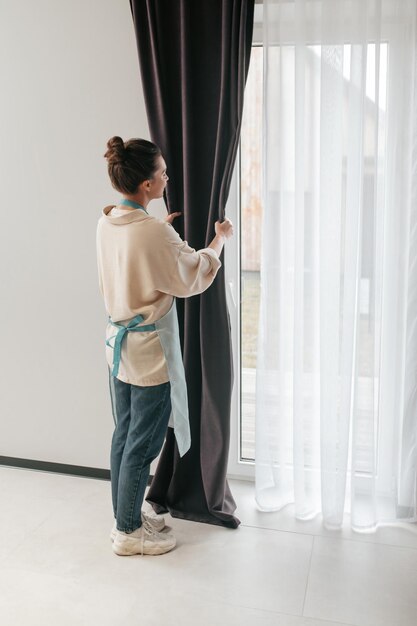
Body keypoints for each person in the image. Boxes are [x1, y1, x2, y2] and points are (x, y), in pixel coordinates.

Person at [96, 136, 233, 556]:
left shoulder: (108, 221)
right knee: (144, 443)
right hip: (148, 353)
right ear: (147, 186)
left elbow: (142, 254)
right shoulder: (153, 233)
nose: (167, 177)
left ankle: (126, 517)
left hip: (117, 347)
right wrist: (220, 239)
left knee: (124, 436)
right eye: (162, 173)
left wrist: (164, 233)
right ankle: (128, 532)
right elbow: (192, 273)